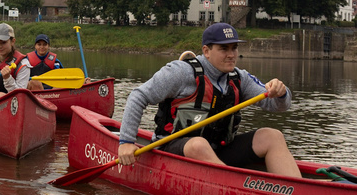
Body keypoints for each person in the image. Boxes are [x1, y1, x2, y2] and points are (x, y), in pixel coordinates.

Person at [117, 22, 301, 178]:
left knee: (272, 136)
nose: (231, 54)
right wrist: (126, 142)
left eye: (234, 48)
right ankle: (234, 189)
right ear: (206, 50)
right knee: (199, 144)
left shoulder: (239, 78)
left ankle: (298, 193)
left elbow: (278, 106)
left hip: (218, 150)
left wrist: (281, 93)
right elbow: (138, 96)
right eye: (224, 49)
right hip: (173, 149)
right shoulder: (180, 72)